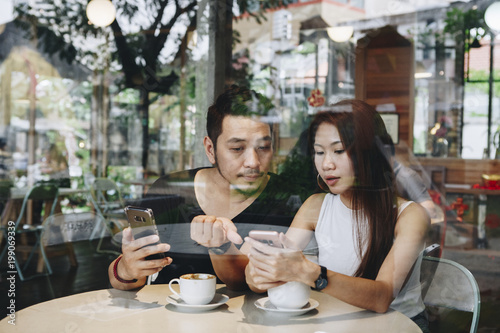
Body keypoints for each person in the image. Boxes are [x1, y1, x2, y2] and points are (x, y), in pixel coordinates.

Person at [244, 100, 430, 331]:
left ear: (369, 154)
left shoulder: (410, 216)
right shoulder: (315, 206)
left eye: (339, 151)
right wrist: (258, 274)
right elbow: (276, 268)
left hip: (398, 326)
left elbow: (382, 297)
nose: (326, 164)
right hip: (336, 322)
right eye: (319, 152)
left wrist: (311, 273)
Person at [108, 85, 298, 291]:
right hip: (172, 319)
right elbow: (124, 277)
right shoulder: (171, 190)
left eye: (263, 147)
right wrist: (126, 269)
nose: (253, 161)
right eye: (237, 149)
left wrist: (222, 246)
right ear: (210, 149)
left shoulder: (287, 198)